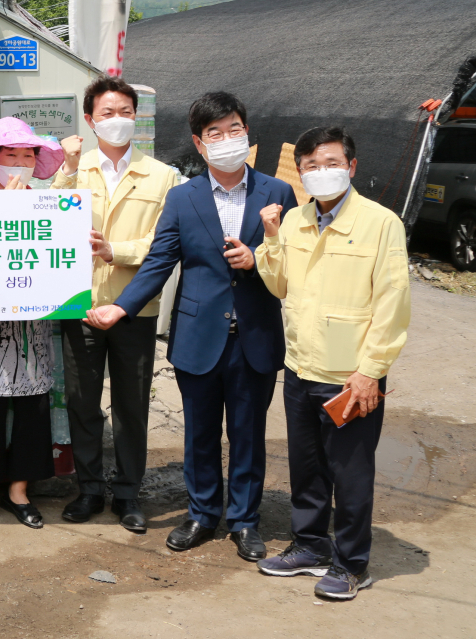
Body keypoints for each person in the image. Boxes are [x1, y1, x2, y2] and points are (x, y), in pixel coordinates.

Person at [88, 92, 297, 561]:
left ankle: (245, 521)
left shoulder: (277, 193)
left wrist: (259, 259)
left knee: (247, 432)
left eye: (235, 129)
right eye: (215, 133)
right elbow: (159, 260)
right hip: (198, 333)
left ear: (247, 133)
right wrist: (121, 308)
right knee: (199, 432)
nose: (227, 140)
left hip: (256, 333)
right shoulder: (183, 198)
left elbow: (294, 263)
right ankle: (202, 514)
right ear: (200, 145)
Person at [255, 126, 409, 600]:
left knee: (351, 473)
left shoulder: (381, 223)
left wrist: (371, 370)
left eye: (331, 163)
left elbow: (392, 303)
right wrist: (271, 238)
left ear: (352, 166)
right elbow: (279, 286)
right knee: (307, 468)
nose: (322, 173)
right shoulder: (296, 220)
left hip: (350, 376)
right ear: (299, 172)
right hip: (301, 367)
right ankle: (309, 545)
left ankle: (351, 563)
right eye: (311, 166)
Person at [52, 78, 179, 534]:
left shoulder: (162, 175)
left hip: (133, 308)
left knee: (132, 404)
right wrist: (65, 168)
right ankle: (88, 489)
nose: (117, 120)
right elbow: (44, 221)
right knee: (83, 403)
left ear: (136, 116)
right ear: (90, 120)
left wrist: (115, 251)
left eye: (125, 110)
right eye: (106, 112)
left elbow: (164, 242)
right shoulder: (73, 169)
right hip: (80, 306)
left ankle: (127, 493)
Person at [0, 117, 65, 529]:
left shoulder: (47, 203)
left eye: (28, 155)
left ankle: (20, 490)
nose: (19, 162)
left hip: (31, 325)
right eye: (11, 155)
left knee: (32, 407)